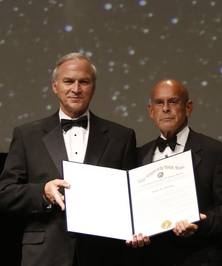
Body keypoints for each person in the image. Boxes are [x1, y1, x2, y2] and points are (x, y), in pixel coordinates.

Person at [0, 52, 137, 266]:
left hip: (103, 254)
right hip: (45, 255)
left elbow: (133, 196)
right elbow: (5, 193)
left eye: (84, 81)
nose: (76, 89)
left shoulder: (122, 136)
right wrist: (43, 192)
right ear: (55, 86)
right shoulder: (27, 135)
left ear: (93, 87)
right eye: (68, 81)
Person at [126, 79, 222, 266]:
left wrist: (201, 222)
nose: (166, 108)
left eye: (173, 101)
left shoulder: (215, 153)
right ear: (151, 111)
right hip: (151, 258)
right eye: (159, 103)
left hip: (200, 258)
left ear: (188, 107)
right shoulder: (138, 155)